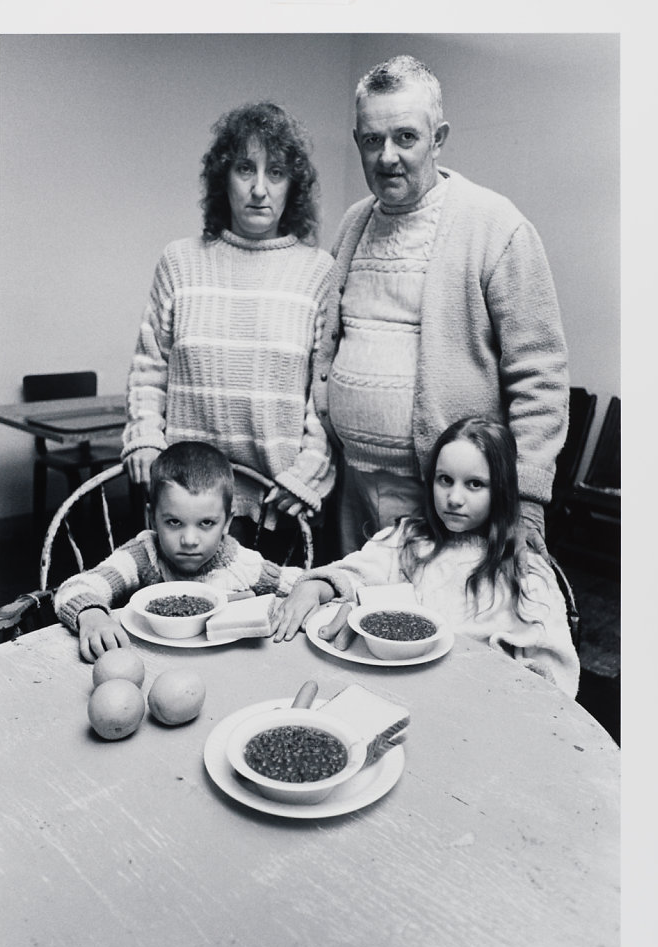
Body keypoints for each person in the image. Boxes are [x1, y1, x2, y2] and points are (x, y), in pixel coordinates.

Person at [312, 55, 569, 558]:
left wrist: (529, 498)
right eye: (371, 140)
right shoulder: (353, 222)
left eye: (405, 137)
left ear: (438, 137)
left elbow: (540, 375)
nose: (387, 156)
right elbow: (329, 342)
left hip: (445, 496)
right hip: (353, 487)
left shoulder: (496, 227)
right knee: (353, 614)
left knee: (435, 627)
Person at [122, 101, 336, 556]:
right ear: (224, 178)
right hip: (186, 510)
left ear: (292, 185)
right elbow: (148, 368)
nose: (259, 189)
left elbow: (325, 401)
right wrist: (143, 436)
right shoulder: (179, 261)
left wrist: (309, 473)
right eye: (245, 169)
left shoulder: (319, 272)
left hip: (279, 510)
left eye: (275, 172)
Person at [271, 417, 579, 698]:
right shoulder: (407, 539)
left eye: (475, 484)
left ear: (502, 490)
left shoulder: (524, 569)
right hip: (385, 690)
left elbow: (553, 670)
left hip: (474, 703)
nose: (455, 499)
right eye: (445, 480)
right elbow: (356, 573)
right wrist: (315, 586)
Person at [55, 441, 304, 662]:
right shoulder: (144, 555)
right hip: (153, 666)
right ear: (152, 518)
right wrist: (92, 616)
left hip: (226, 666)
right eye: (174, 522)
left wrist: (316, 587)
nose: (189, 540)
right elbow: (76, 587)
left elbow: (304, 584)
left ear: (227, 522)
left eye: (206, 523)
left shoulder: (240, 564)